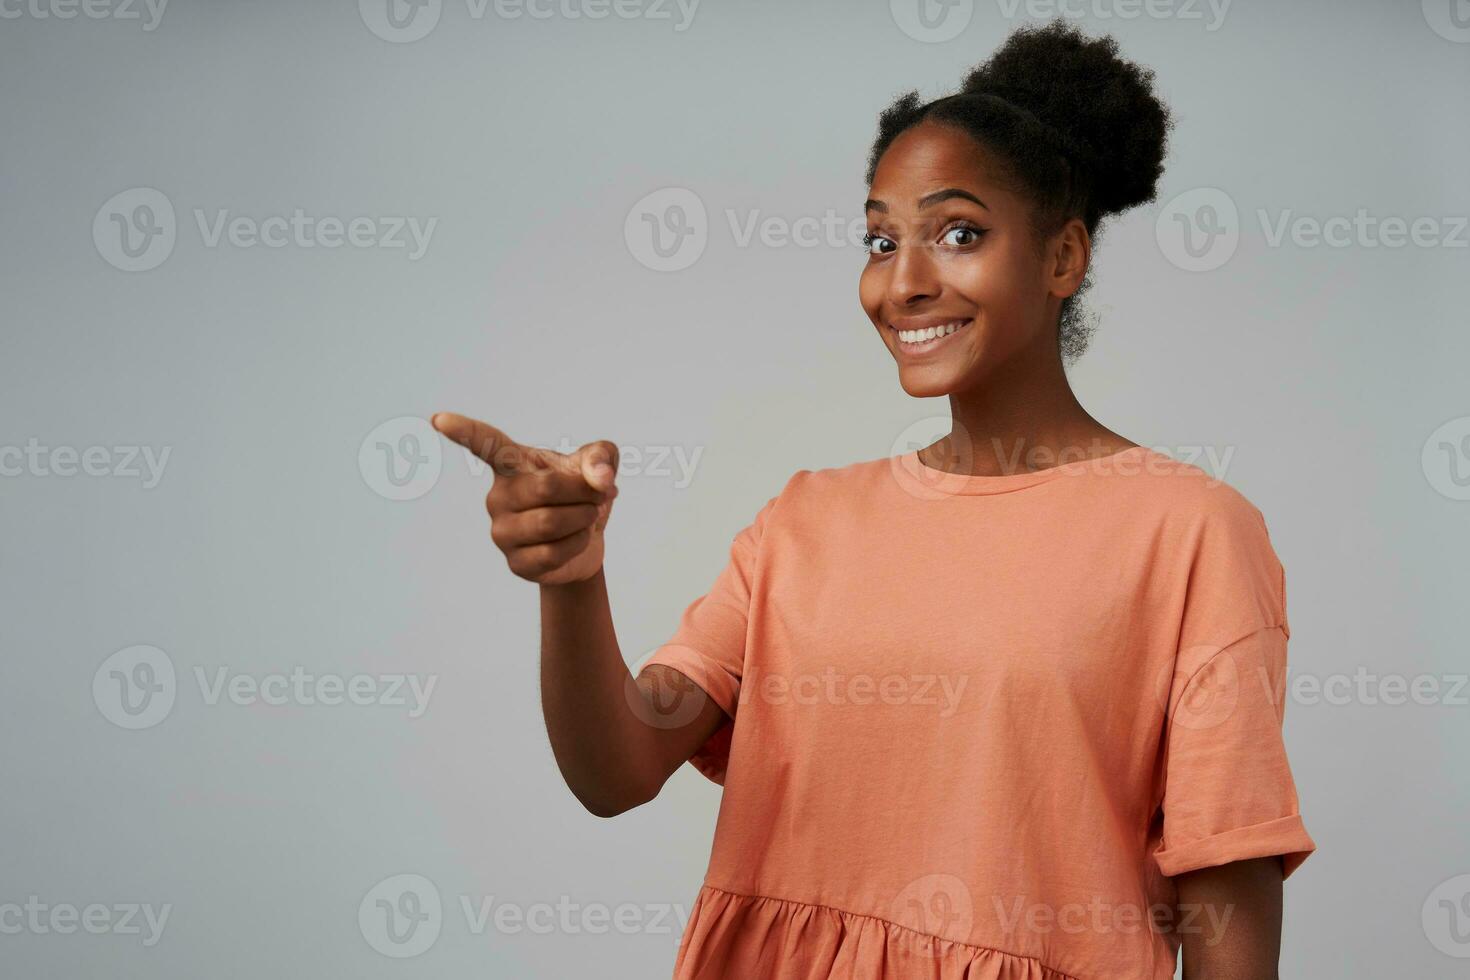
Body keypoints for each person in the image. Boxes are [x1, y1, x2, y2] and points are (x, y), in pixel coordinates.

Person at [431, 18, 1314, 979]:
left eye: (959, 234)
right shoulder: (803, 522)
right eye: (880, 239)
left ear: (1063, 258)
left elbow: (1225, 887)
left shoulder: (1188, 532)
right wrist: (572, 581)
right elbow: (616, 771)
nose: (905, 282)